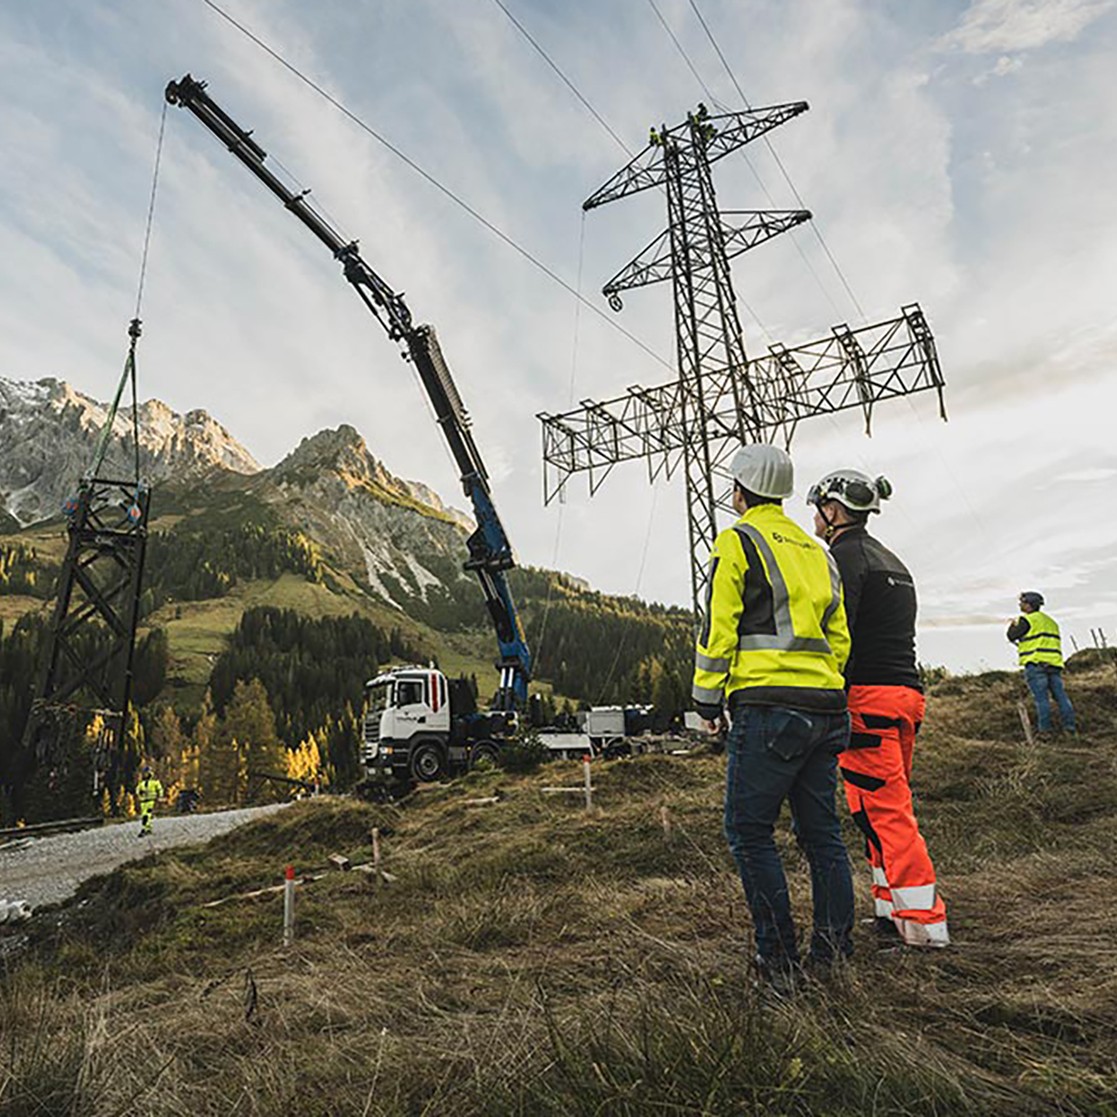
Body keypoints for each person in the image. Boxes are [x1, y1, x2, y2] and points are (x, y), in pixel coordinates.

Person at [693, 443, 854, 993]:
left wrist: (706, 701)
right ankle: (833, 954)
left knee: (749, 831)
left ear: (741, 490)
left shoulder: (738, 540)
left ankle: (778, 962)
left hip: (769, 707)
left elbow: (720, 626)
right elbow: (840, 638)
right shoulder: (817, 551)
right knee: (823, 835)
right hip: (827, 708)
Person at [808, 469, 949, 948]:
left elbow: (837, 631)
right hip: (905, 696)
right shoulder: (891, 560)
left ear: (834, 510)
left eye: (818, 508)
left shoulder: (843, 559)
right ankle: (892, 908)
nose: (815, 518)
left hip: (867, 698)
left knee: (885, 810)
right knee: (874, 809)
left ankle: (926, 925)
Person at [1007, 591, 1077, 736]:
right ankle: (1070, 728)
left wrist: (1013, 625)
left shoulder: (1025, 620)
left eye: (1022, 602)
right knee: (1061, 697)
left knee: (1041, 700)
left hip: (1036, 664)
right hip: (1054, 665)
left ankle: (1045, 731)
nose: (1020, 605)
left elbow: (1011, 636)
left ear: (1028, 605)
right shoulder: (1052, 622)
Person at [136, 764, 164, 837]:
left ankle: (145, 829)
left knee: (147, 815)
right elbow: (137, 790)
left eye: (147, 773)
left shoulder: (154, 782)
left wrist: (160, 796)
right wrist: (139, 793)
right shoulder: (141, 783)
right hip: (143, 801)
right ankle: (148, 828)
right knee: (144, 815)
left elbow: (159, 789)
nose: (146, 774)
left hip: (151, 800)